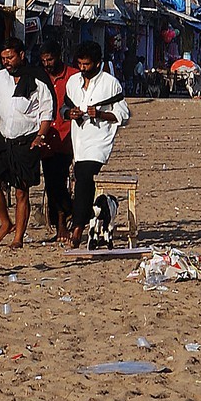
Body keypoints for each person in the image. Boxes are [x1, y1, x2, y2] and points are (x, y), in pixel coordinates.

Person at [0, 38, 54, 248]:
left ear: (21, 55)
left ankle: (18, 238)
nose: (6, 61)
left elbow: (46, 112)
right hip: (2, 140)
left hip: (26, 142)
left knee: (21, 191)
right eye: (3, 58)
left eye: (10, 57)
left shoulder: (38, 79)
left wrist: (40, 136)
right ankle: (5, 222)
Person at [64, 41, 131, 248]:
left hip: (100, 141)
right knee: (82, 180)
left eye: (87, 64)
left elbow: (123, 115)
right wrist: (69, 114)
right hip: (79, 140)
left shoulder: (110, 84)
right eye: (80, 64)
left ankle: (77, 228)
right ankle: (96, 217)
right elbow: (63, 109)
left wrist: (100, 114)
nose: (83, 68)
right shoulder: (73, 82)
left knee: (84, 176)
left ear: (98, 63)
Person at [38, 43, 76, 243]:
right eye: (44, 60)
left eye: (50, 60)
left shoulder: (73, 76)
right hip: (46, 134)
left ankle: (62, 222)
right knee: (51, 181)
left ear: (58, 56)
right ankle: (61, 217)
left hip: (67, 135)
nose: (47, 64)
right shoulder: (40, 76)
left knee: (59, 179)